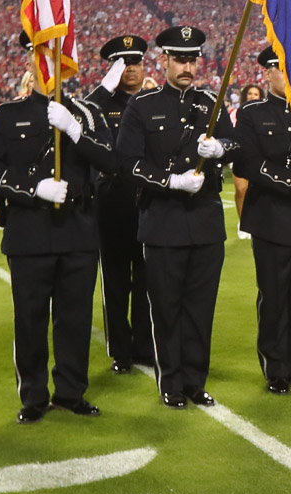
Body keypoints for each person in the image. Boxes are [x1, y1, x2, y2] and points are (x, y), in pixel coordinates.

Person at [0, 32, 117, 423]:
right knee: (31, 320)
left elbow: (112, 162)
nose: (51, 63)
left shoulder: (86, 115)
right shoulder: (7, 115)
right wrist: (32, 188)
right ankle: (34, 396)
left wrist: (75, 131)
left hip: (78, 230)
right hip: (30, 232)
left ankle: (71, 392)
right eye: (42, 55)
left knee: (75, 320)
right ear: (29, 61)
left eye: (57, 56)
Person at [115, 25, 237, 408]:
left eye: (192, 59)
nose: (187, 66)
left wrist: (219, 148)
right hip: (163, 220)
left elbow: (237, 145)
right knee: (166, 307)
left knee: (201, 309)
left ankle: (195, 381)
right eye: (179, 59)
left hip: (205, 222)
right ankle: (170, 382)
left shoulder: (210, 104)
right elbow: (126, 163)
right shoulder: (143, 106)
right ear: (164, 60)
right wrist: (170, 181)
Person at [233, 48, 291, 394]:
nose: (287, 76)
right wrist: (289, 180)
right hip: (272, 219)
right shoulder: (251, 113)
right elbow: (245, 162)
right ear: (268, 73)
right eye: (281, 69)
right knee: (274, 298)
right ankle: (275, 368)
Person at [83, 35, 154, 374]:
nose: (131, 70)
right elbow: (76, 121)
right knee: (114, 280)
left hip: (148, 200)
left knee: (146, 278)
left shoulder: (154, 102)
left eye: (136, 63)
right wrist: (101, 89)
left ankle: (144, 346)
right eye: (122, 64)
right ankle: (120, 352)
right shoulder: (98, 106)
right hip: (111, 201)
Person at [231, 82, 266, 236]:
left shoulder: (264, 113)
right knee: (241, 189)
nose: (252, 96)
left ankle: (256, 222)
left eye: (255, 94)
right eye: (250, 94)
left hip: (258, 156)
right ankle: (242, 222)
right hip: (239, 154)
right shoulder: (234, 113)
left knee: (257, 190)